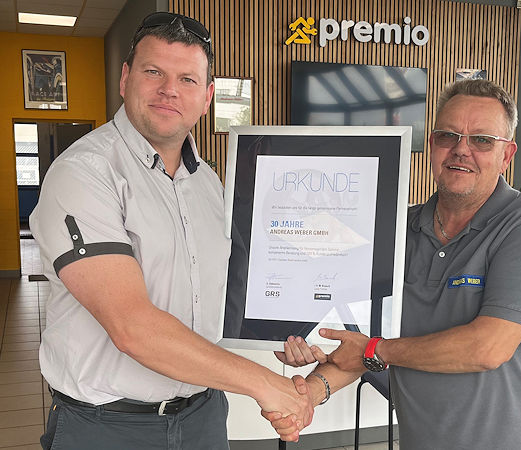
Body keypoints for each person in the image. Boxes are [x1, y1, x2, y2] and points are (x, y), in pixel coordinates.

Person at [30, 12, 311, 450]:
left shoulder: (210, 184)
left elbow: (226, 291)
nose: (169, 91)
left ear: (207, 97)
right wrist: (266, 386)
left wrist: (286, 331)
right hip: (108, 427)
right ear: (125, 79)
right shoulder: (84, 173)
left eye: (187, 79)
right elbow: (132, 326)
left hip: (203, 417)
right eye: (154, 72)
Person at [269, 79, 521, 449]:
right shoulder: (397, 230)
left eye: (481, 140)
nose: (461, 150)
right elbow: (362, 340)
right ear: (431, 146)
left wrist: (373, 349)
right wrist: (308, 394)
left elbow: (487, 348)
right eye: (447, 136)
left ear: (507, 155)